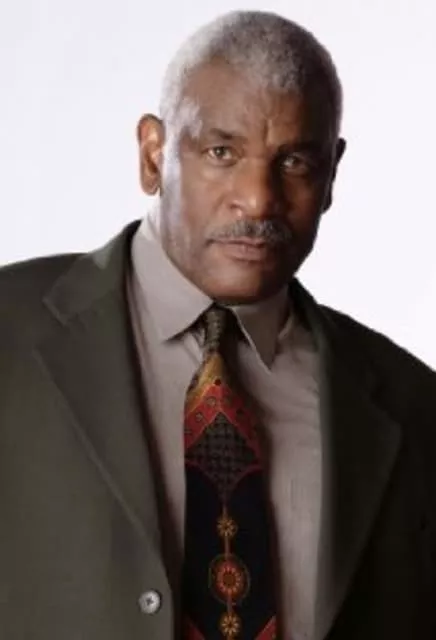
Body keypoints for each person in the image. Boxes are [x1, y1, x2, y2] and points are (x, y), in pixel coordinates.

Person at [1, 9, 436, 640]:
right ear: (153, 155)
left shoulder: (412, 406)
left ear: (332, 174)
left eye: (295, 162)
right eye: (221, 152)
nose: (258, 198)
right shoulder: (10, 335)